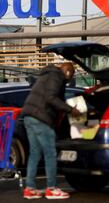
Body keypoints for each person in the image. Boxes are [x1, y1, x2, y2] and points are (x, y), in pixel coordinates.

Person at [22, 62, 80, 200]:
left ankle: (29, 189)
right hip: (41, 118)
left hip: (29, 117)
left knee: (35, 154)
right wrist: (70, 110)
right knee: (50, 153)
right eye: (70, 76)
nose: (69, 80)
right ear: (67, 72)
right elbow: (51, 98)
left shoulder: (47, 75)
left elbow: (53, 97)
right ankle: (51, 189)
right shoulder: (57, 76)